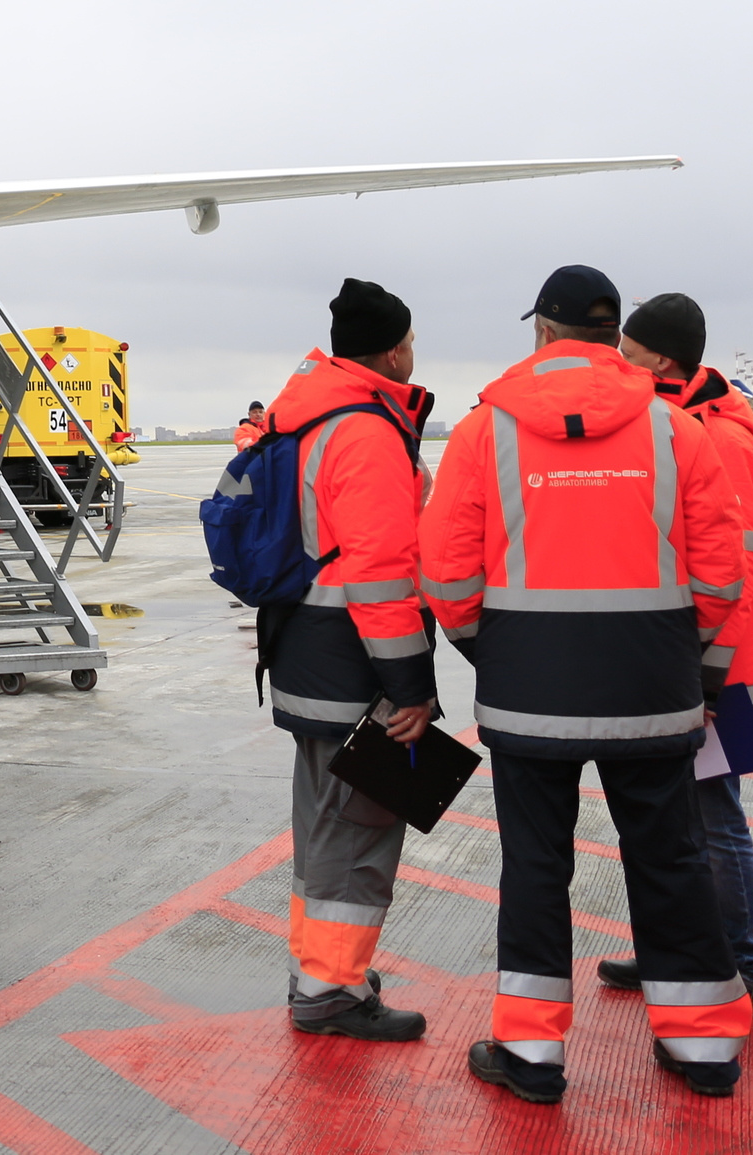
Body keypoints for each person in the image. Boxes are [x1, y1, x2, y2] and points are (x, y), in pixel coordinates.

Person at [421, 264, 750, 1104]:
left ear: (543, 332)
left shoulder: (484, 430)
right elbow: (722, 569)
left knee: (535, 866)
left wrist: (488, 652)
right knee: (671, 857)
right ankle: (702, 1042)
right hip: (654, 686)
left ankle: (531, 1055)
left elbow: (447, 572)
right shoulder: (678, 430)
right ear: (615, 338)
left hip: (529, 690)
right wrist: (697, 662)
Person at [261, 279, 439, 1042]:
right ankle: (329, 990)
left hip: (306, 650)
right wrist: (410, 686)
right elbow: (381, 574)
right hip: (354, 666)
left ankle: (317, 967)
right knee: (360, 831)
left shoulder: (306, 414)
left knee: (323, 827)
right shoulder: (364, 431)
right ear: (396, 348)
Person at [605, 293, 753, 1018]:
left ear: (662, 359)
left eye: (629, 348)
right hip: (680, 663)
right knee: (675, 819)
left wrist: (706, 675)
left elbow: (744, 573)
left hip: (720, 670)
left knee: (714, 816)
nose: (618, 358)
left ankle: (739, 964)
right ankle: (675, 948)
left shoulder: (723, 438)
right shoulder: (673, 422)